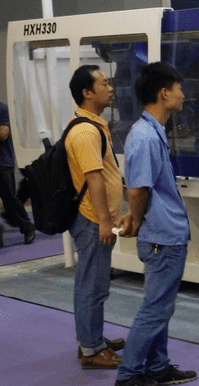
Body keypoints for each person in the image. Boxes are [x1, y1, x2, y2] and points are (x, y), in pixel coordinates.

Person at [115, 62, 197, 386]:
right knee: (155, 309)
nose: (182, 94)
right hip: (162, 238)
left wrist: (135, 217)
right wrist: (135, 219)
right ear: (164, 93)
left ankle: (157, 367)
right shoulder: (145, 136)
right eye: (178, 88)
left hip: (165, 235)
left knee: (161, 306)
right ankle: (129, 374)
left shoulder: (151, 131)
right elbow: (138, 190)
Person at [66, 65, 127, 369]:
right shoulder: (85, 132)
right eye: (103, 84)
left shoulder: (94, 125)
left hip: (95, 218)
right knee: (92, 285)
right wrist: (104, 220)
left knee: (94, 283)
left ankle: (93, 339)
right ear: (87, 93)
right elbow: (94, 179)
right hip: (92, 219)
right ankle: (91, 349)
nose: (110, 87)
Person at [0, 76, 35, 253]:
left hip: (3, 162)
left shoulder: (5, 110)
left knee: (10, 199)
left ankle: (27, 228)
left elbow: (3, 134)